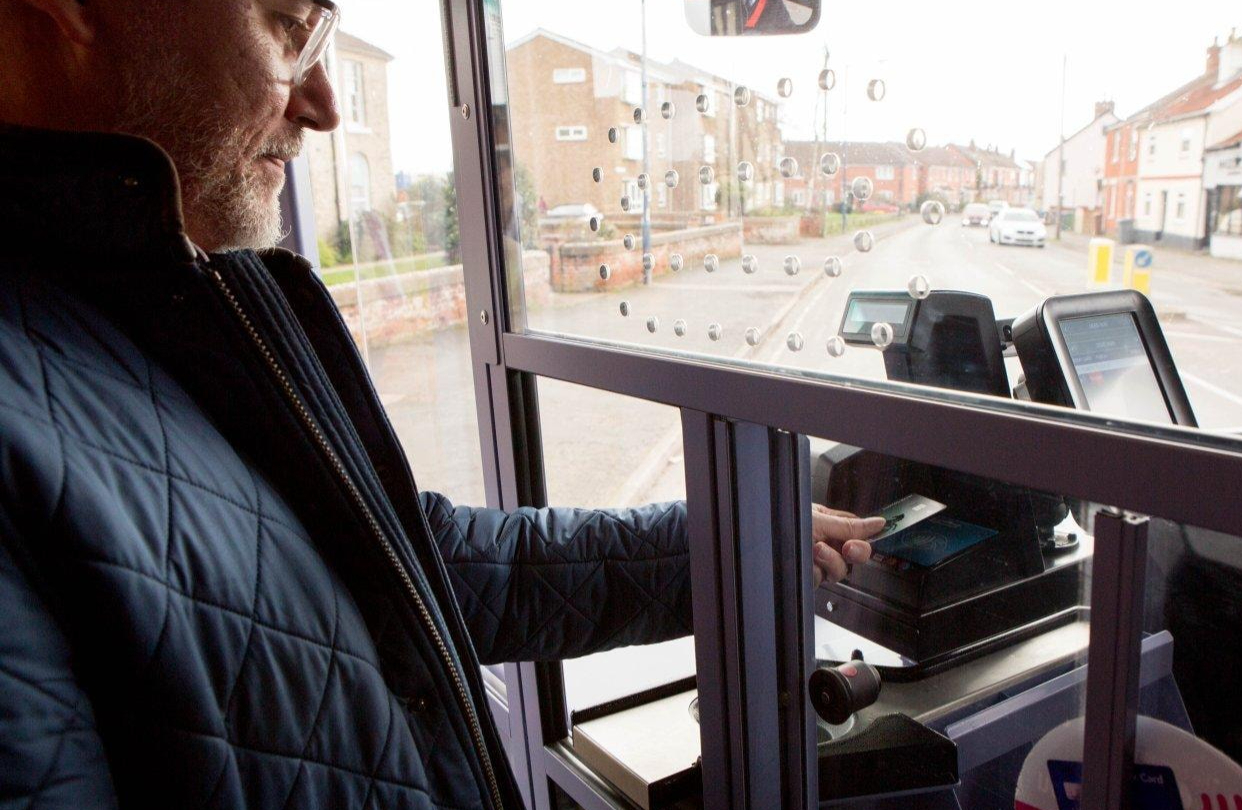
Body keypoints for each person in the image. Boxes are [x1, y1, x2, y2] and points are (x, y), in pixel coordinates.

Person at [0, 1, 882, 808]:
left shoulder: (154, 303)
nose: (322, 104)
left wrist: (724, 550)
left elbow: (398, 567)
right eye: (285, 25)